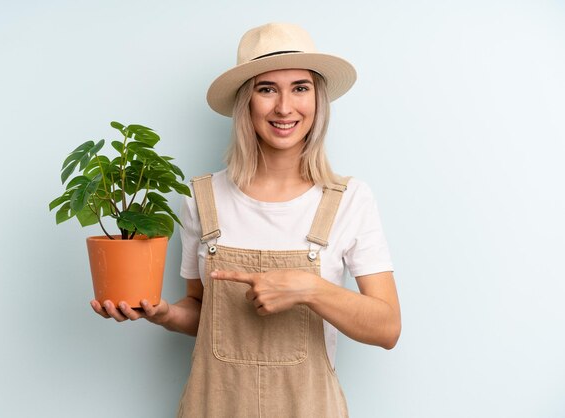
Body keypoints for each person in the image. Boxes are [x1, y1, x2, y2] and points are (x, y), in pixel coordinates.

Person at [91, 22, 401, 417]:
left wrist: (308, 289)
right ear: (246, 102)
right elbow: (204, 312)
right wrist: (166, 314)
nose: (284, 107)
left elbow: (387, 327)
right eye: (266, 88)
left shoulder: (349, 200)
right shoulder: (202, 198)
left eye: (300, 88)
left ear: (318, 101)